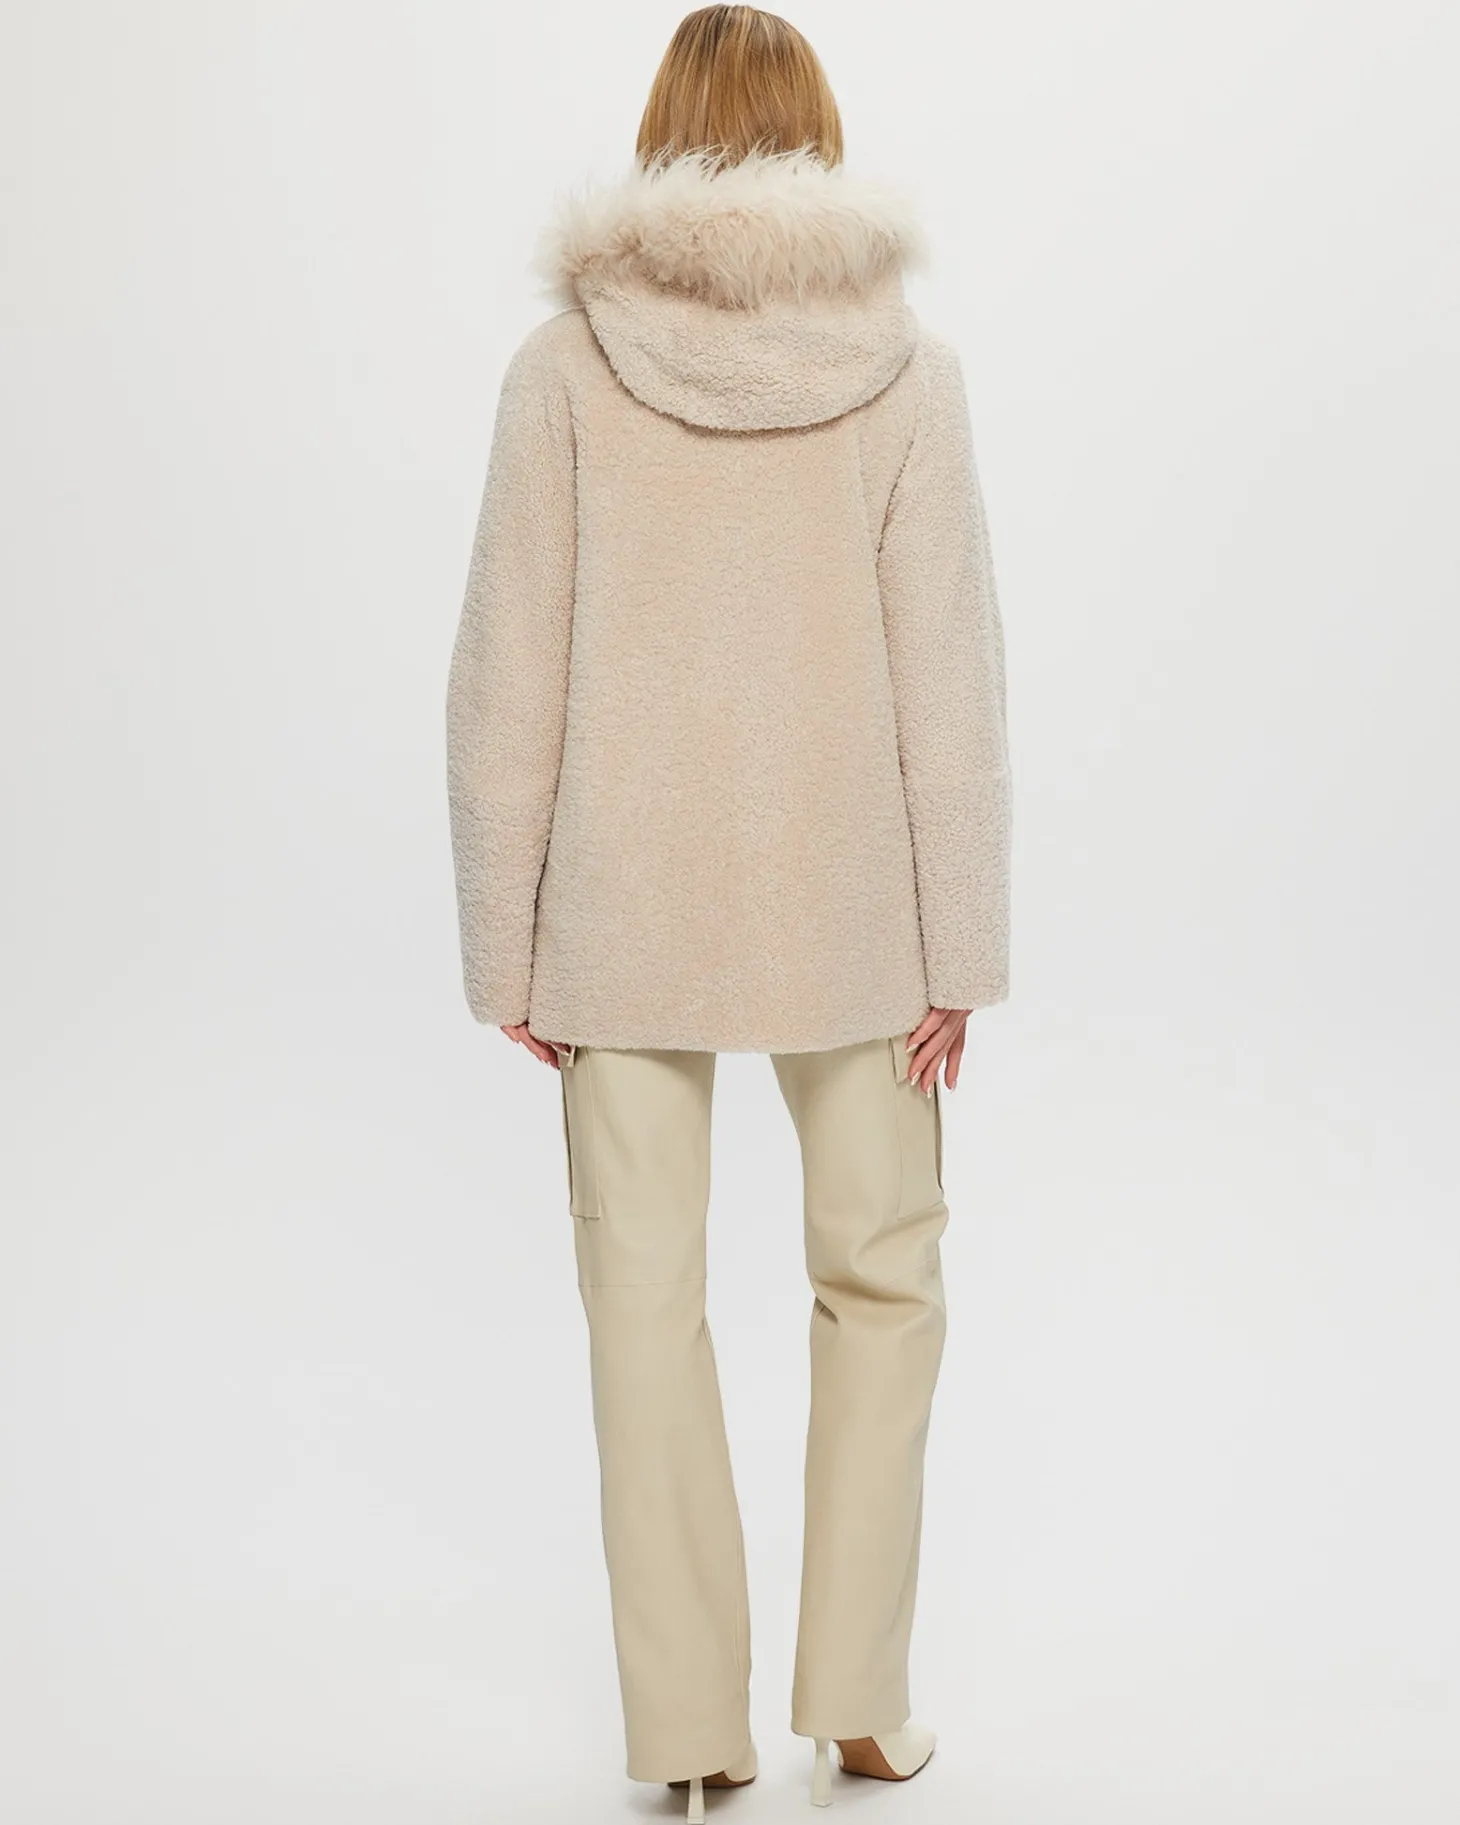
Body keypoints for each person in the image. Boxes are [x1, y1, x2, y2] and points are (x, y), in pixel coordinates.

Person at [445, 6, 1011, 1815]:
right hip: (859, 911)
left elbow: (504, 675)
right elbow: (950, 687)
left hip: (621, 910)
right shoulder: (909, 374)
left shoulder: (565, 368)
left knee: (640, 1300)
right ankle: (861, 1701)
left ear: (662, 136)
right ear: (817, 139)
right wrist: (963, 952)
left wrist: (504, 941)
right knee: (885, 1279)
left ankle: (688, 1739)